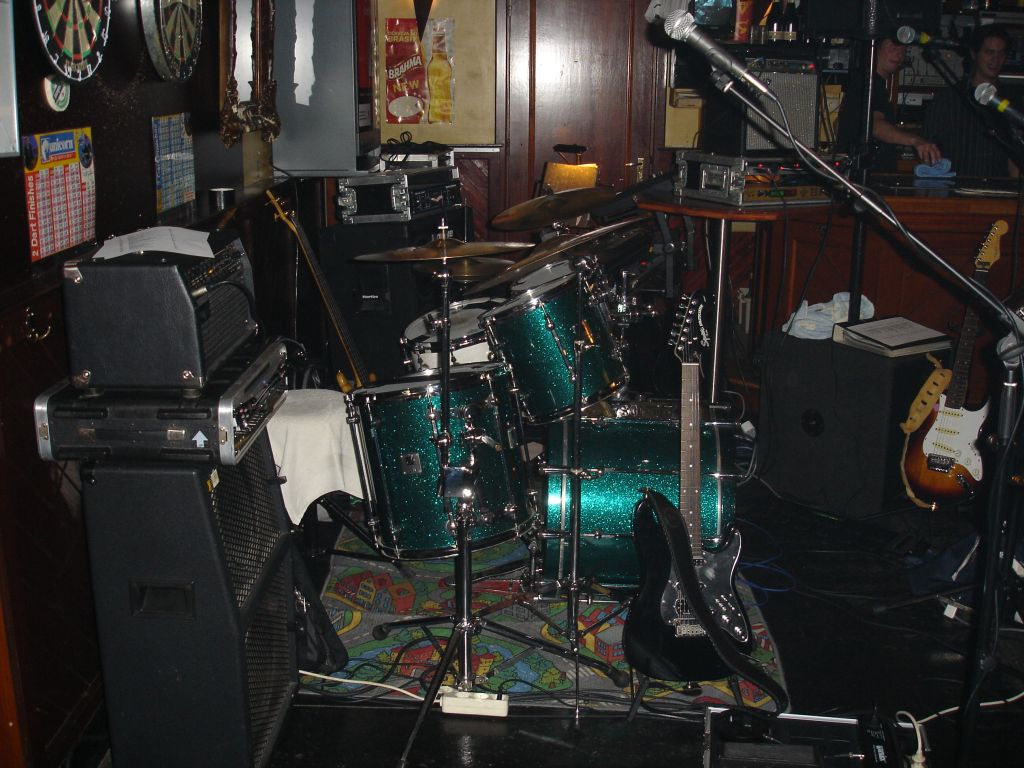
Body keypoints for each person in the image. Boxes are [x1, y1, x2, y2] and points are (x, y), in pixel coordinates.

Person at [923, 24, 1020, 179]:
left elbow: (1015, 157)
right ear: (974, 54)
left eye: (1001, 54)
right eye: (989, 52)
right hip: (957, 188)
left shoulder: (1010, 103)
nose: (996, 60)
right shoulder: (948, 100)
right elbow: (931, 154)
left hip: (998, 188)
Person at [837, 37, 942, 171]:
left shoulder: (871, 82)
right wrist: (916, 141)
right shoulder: (870, 84)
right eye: (893, 47)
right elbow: (874, 125)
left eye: (903, 50)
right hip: (865, 176)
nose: (899, 54)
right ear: (875, 49)